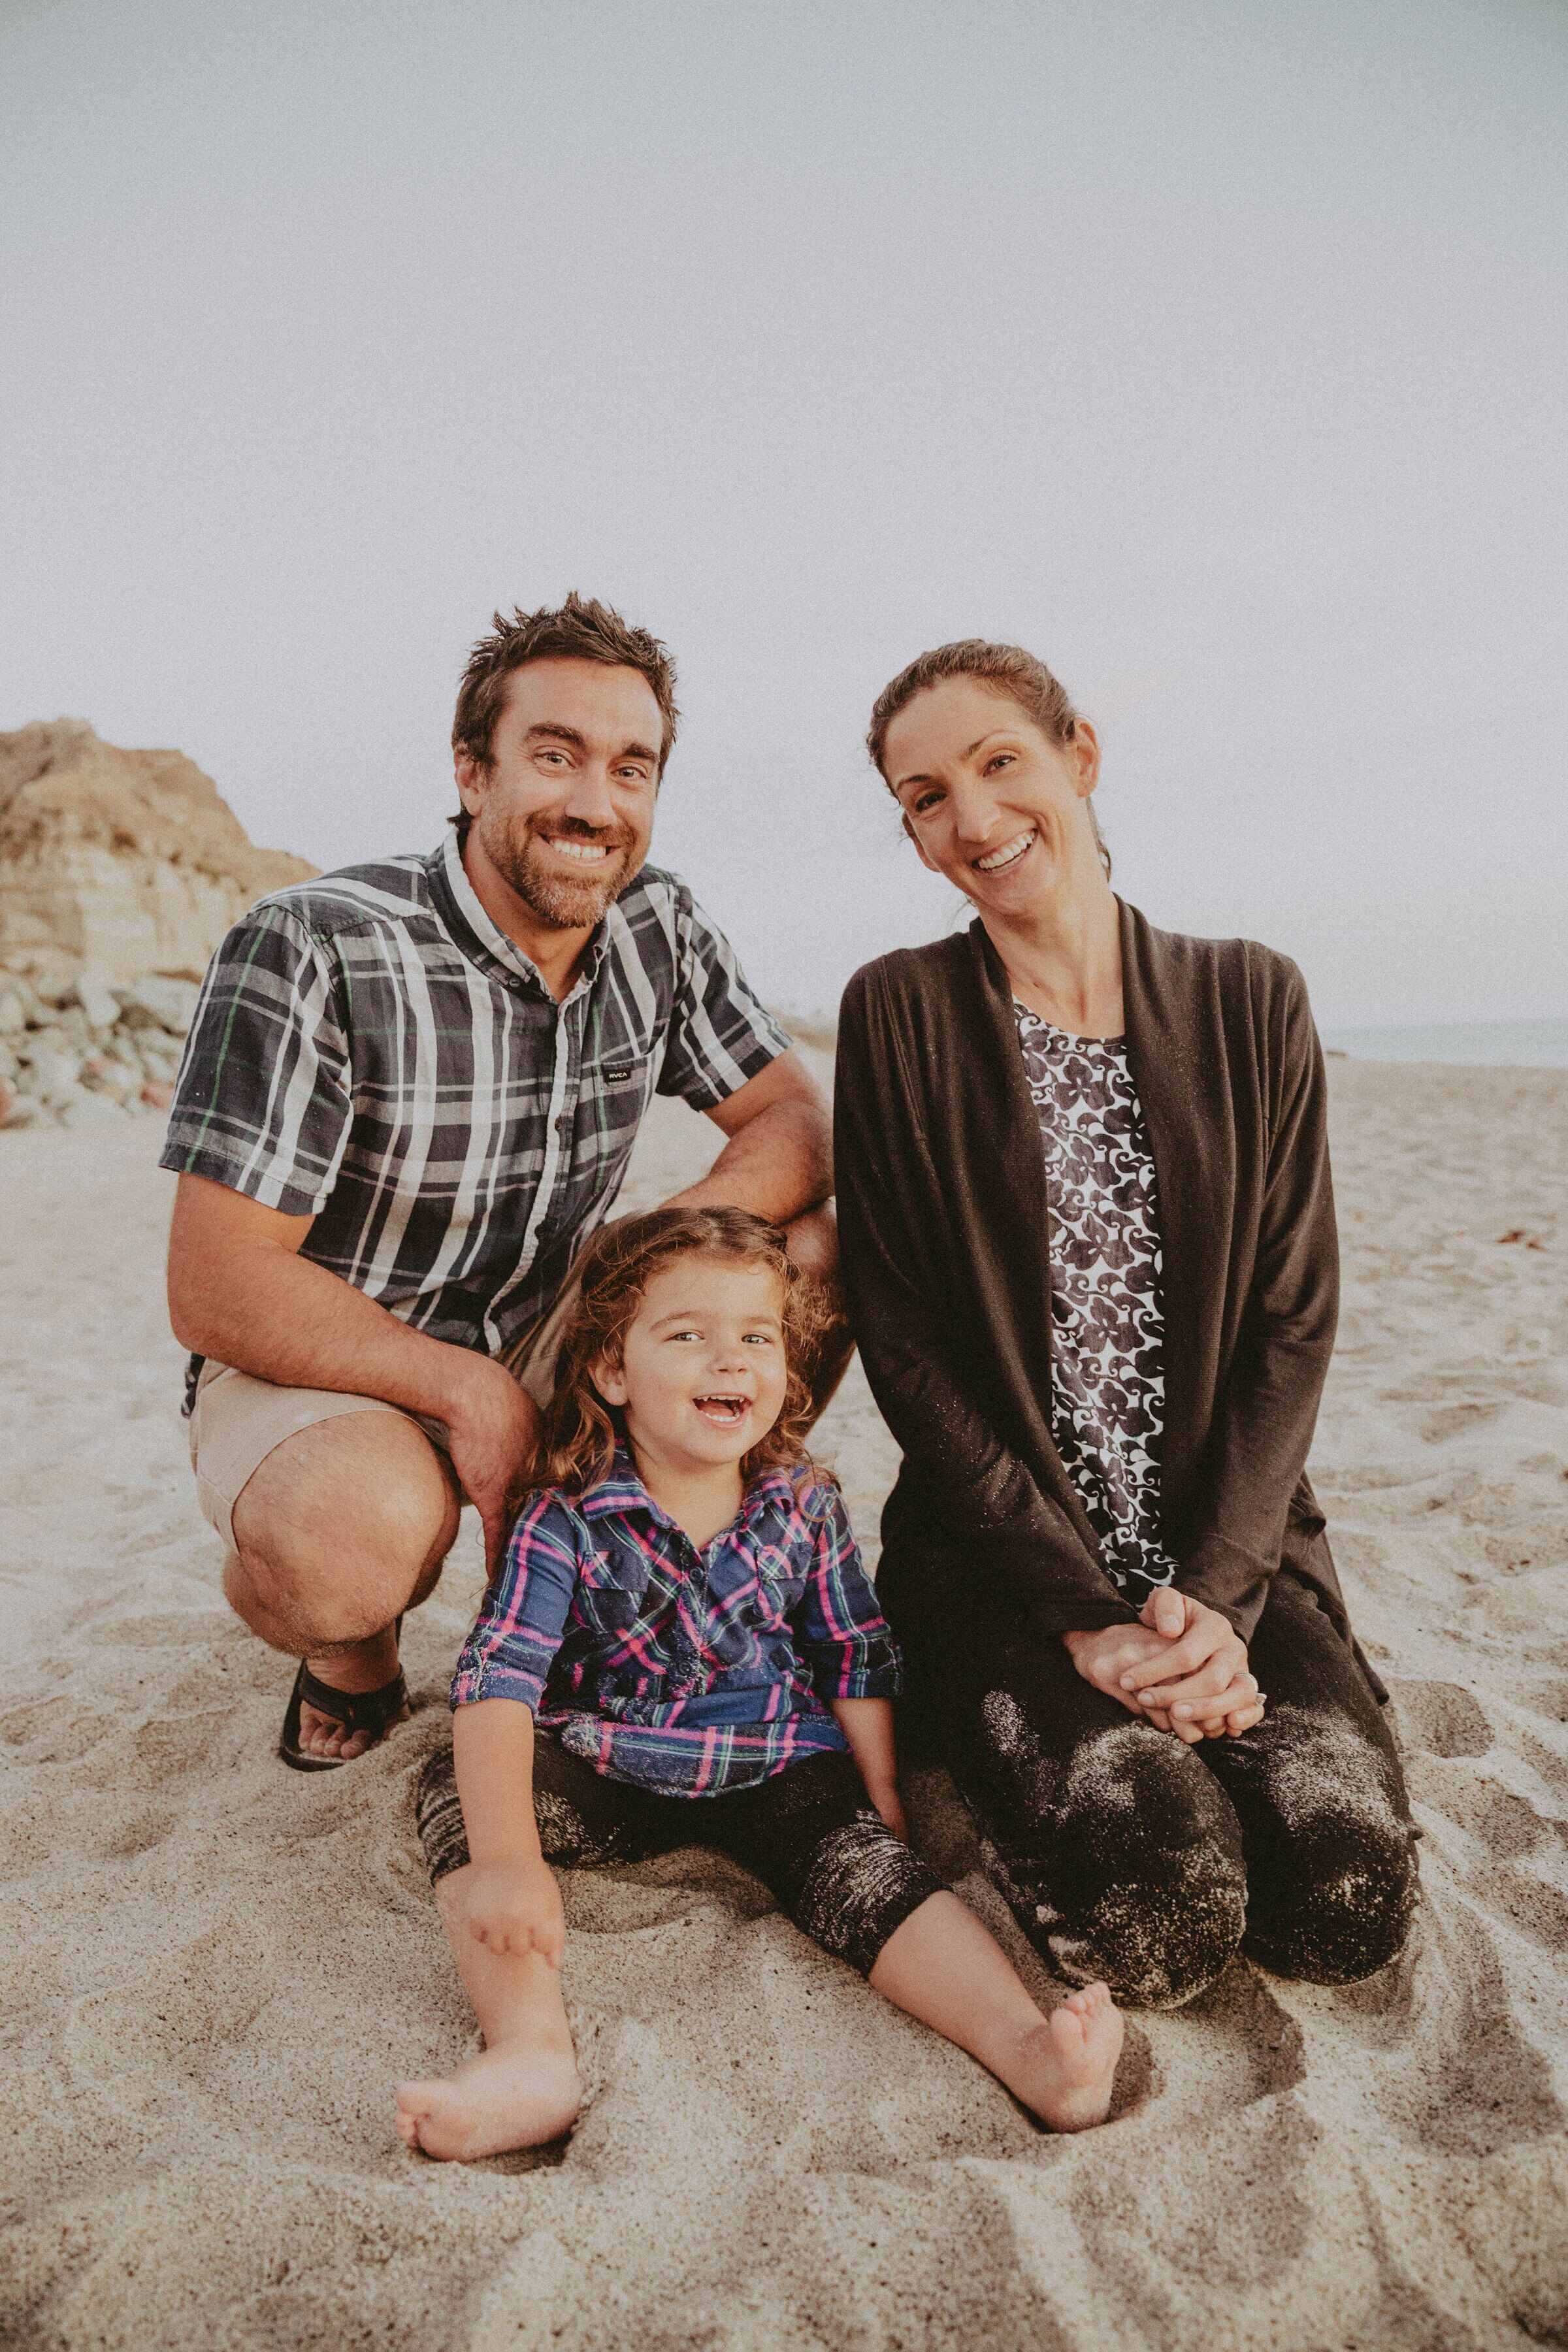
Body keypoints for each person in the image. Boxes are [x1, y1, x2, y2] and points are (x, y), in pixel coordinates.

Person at [832, 638, 1420, 2010]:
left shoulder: (1250, 995)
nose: (971, 820)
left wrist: (1213, 1603)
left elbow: (1293, 1320)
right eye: (925, 798)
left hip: (1232, 1541)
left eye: (998, 764)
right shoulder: (901, 1012)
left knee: (1342, 1898)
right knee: (1165, 1907)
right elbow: (903, 1342)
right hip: (1004, 1555)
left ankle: (1207, 1687)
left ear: (1079, 756)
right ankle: (1045, 1730)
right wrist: (1088, 1619)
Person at [161, 594, 846, 1769]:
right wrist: (470, 1393)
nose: (595, 802)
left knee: (822, 1255)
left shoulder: (659, 925)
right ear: (474, 772)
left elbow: (792, 1116)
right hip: (332, 1361)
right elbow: (217, 1282)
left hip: (554, 1324)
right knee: (351, 1543)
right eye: (554, 756)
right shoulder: (316, 942)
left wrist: (666, 1240)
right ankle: (351, 1657)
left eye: (631, 768)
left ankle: (663, 1592)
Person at [394, 1205, 1123, 2160]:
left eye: (757, 1339)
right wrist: (508, 1864)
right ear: (613, 1371)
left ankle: (1030, 2051)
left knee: (876, 1880)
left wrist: (884, 1805)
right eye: (688, 1337)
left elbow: (854, 1652)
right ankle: (531, 2052)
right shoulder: (562, 1519)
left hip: (777, 1764)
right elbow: (500, 1680)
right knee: (463, 1794)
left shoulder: (804, 1506)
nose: (730, 1361)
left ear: (788, 1366)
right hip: (610, 1754)